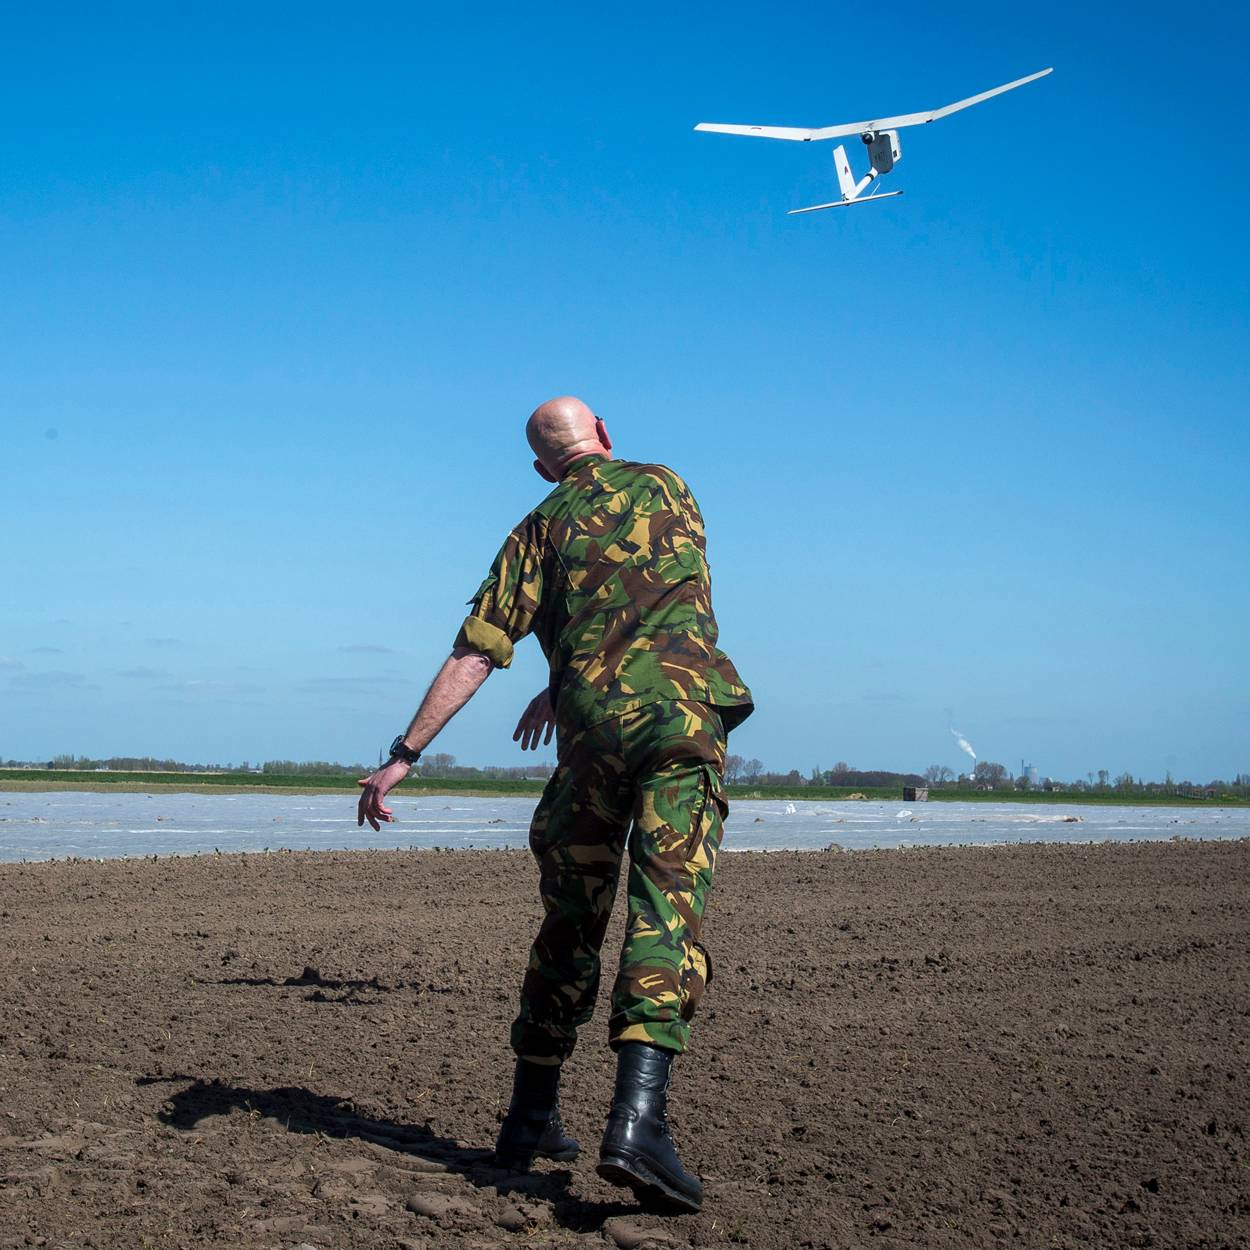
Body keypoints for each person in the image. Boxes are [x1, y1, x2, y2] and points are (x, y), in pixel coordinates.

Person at [356, 396, 752, 1213]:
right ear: (603, 434)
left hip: (592, 737)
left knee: (570, 924)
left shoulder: (536, 528)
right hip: (680, 725)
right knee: (663, 916)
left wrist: (404, 755)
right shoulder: (668, 484)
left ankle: (530, 1116)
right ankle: (637, 1124)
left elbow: (475, 652)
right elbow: (645, 594)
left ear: (543, 468)